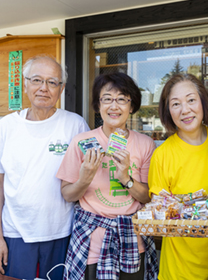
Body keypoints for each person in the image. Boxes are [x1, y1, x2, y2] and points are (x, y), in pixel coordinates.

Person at [0, 56, 90, 279]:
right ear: (25, 84)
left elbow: (88, 177)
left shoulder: (76, 125)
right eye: (36, 80)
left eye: (52, 82)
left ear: (61, 89)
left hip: (63, 233)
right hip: (16, 234)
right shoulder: (7, 126)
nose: (44, 88)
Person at [56, 72, 158, 280]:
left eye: (122, 99)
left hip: (132, 241)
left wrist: (126, 178)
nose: (114, 106)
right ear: (98, 105)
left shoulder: (145, 144)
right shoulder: (81, 142)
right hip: (91, 243)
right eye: (107, 99)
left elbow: (148, 197)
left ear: (131, 106)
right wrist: (85, 177)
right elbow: (67, 194)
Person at [148, 73, 208, 280]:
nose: (185, 110)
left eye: (191, 100)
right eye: (176, 104)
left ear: (203, 102)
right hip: (179, 269)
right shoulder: (162, 154)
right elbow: (159, 210)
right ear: (168, 111)